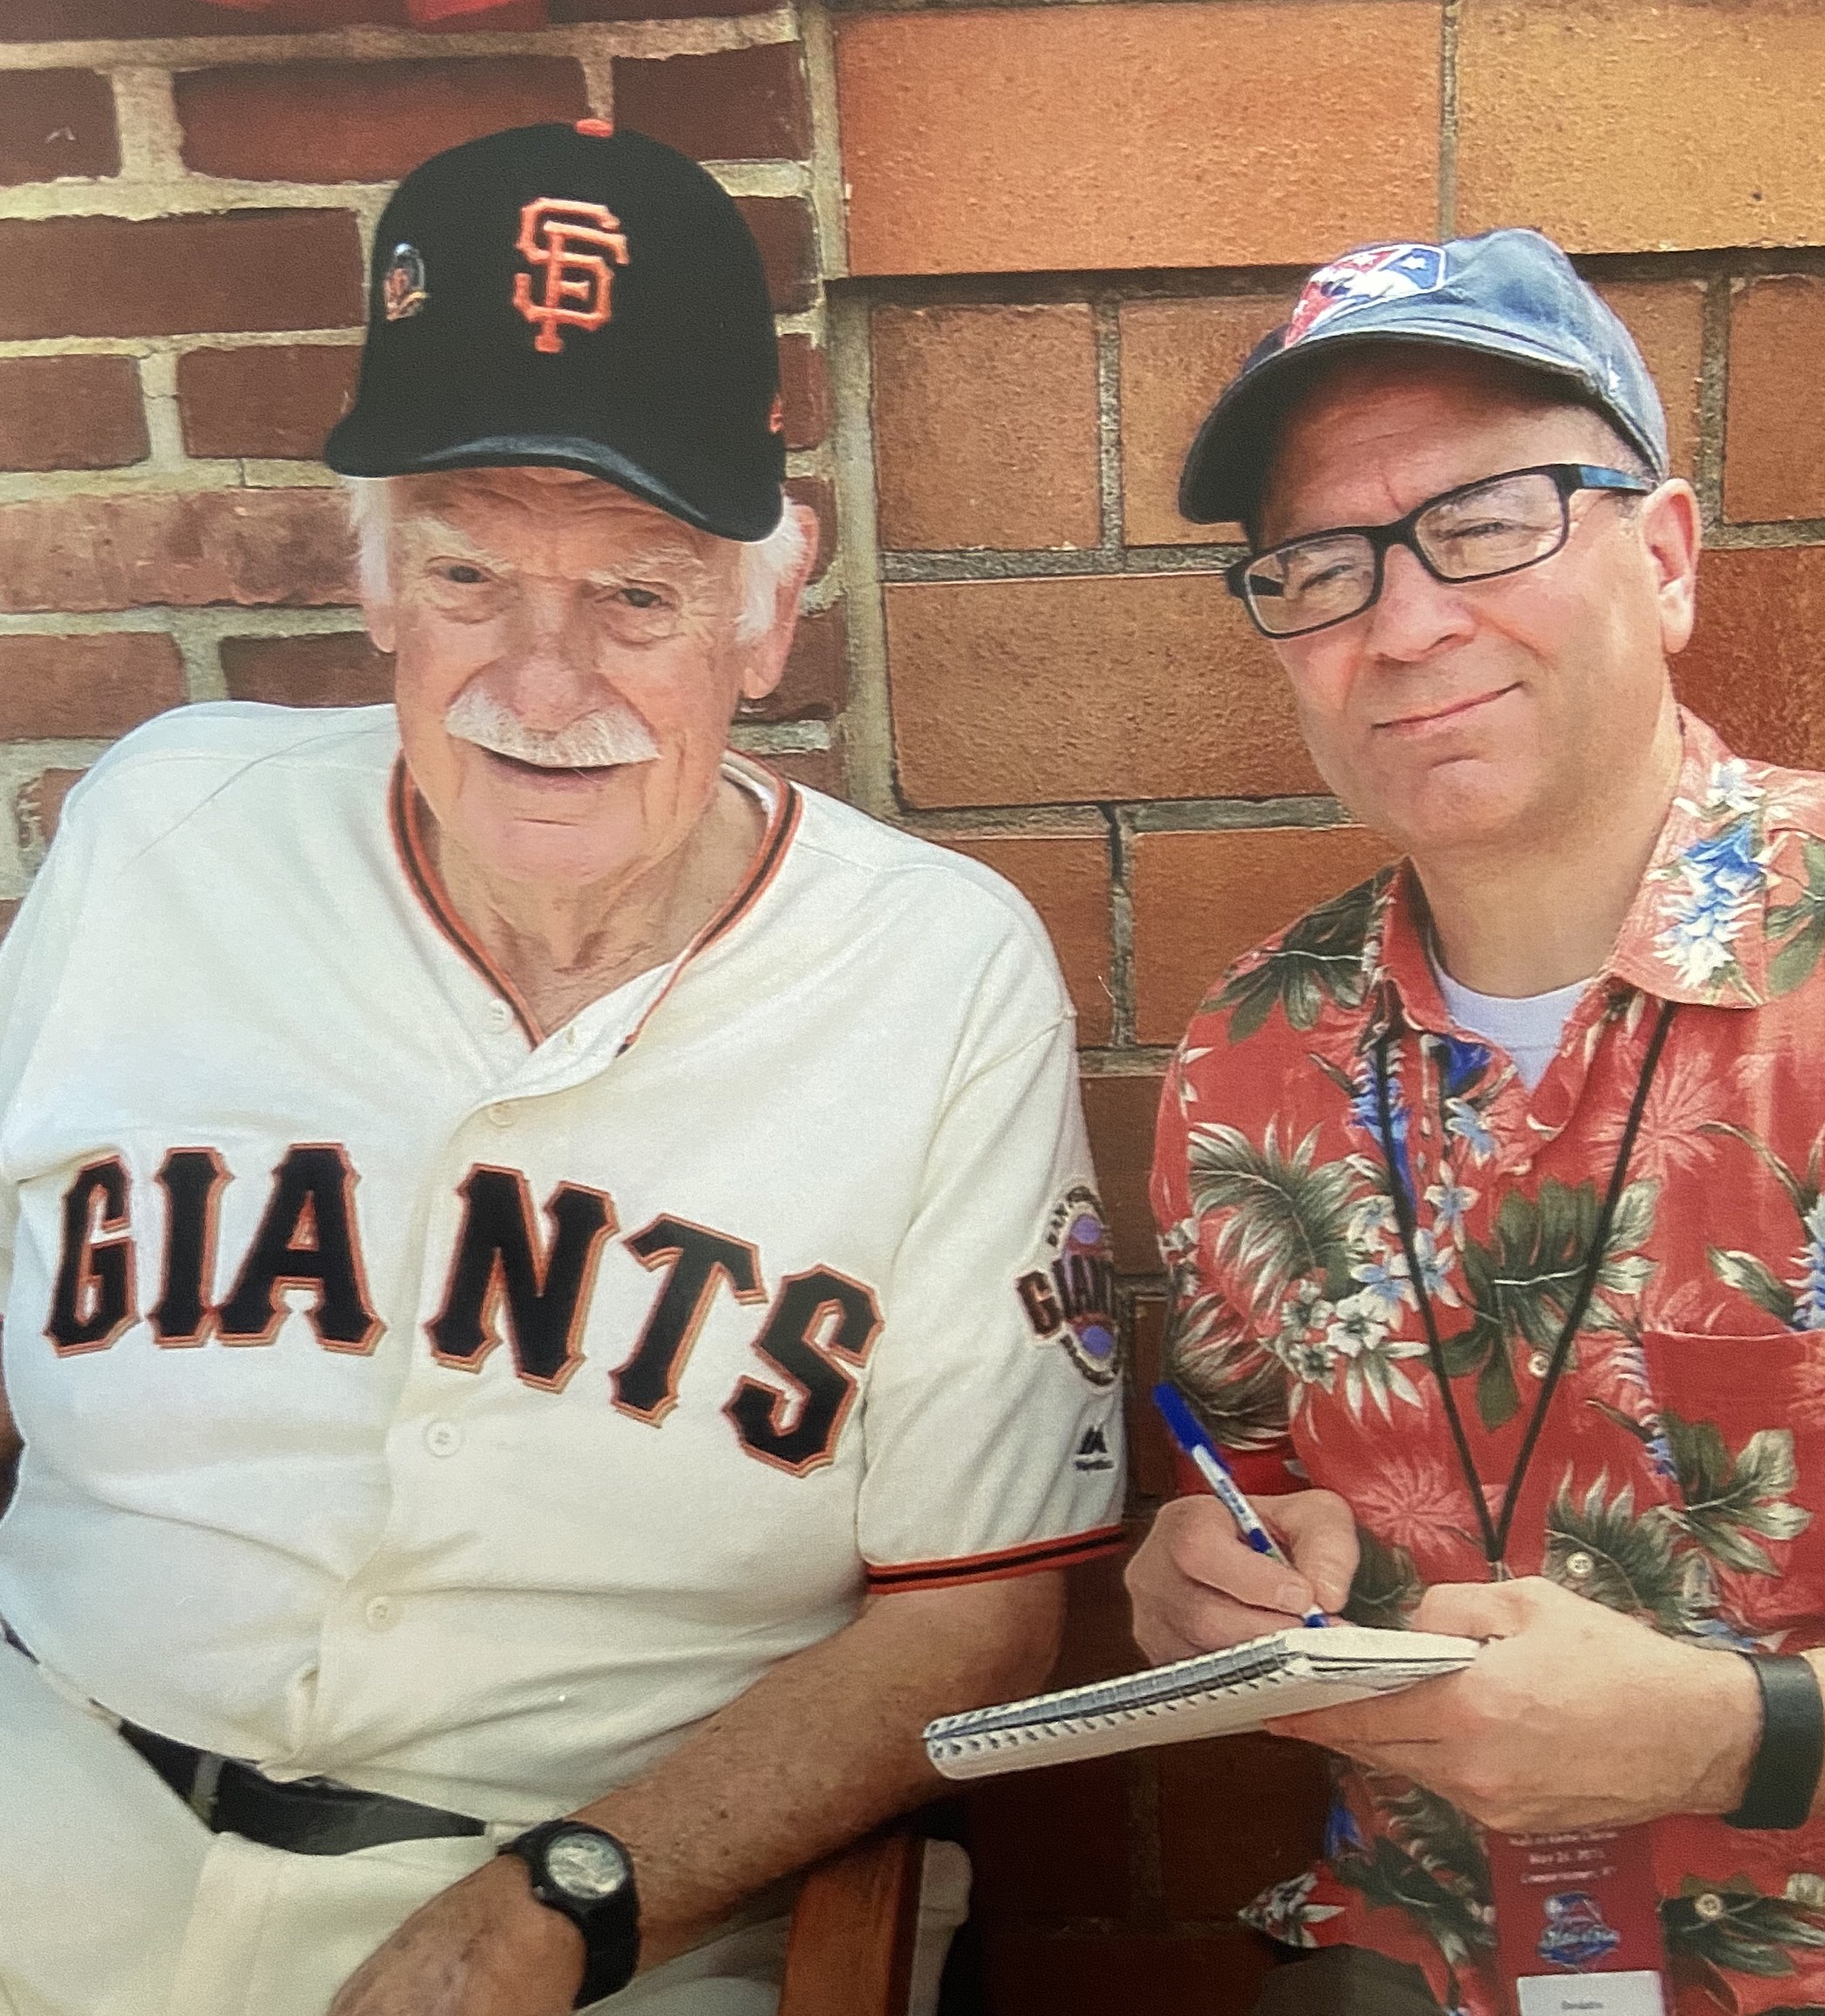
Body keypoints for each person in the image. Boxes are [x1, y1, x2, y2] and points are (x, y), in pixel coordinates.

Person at [0, 121, 1125, 2016]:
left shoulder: (932, 979)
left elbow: (972, 1611)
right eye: (466, 576)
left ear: (768, 610)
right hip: (57, 1793)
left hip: (600, 1905)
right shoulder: (162, 831)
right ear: (371, 585)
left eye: (638, 589)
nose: (540, 680)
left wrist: (552, 1909)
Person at [1124, 231, 1825, 2016]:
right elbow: (1262, 1478)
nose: (1401, 619)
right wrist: (1217, 1576)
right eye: (1314, 568)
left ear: (1666, 557)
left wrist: (1721, 1734)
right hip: (1423, 1959)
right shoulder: (1247, 1056)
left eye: (1485, 520)